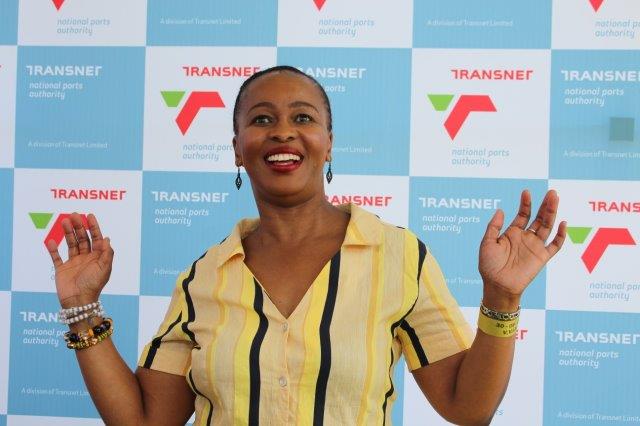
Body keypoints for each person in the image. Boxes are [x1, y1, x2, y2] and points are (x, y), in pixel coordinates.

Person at [48, 65, 566, 425]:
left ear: (328, 143)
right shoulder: (204, 276)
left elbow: (467, 408)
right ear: (237, 149)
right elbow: (144, 420)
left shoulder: (399, 257)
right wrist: (80, 307)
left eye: (303, 118)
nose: (282, 133)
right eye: (261, 120)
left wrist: (502, 298)